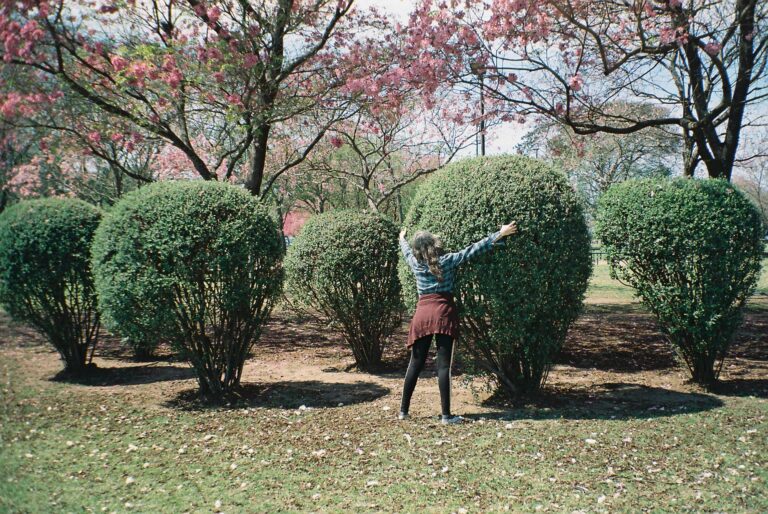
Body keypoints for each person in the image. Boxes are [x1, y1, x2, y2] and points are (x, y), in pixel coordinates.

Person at [398, 222, 518, 424]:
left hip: (422, 315)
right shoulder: (447, 261)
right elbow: (472, 249)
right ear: (434, 245)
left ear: (419, 249)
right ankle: (446, 416)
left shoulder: (416, 264)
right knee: (443, 367)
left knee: (415, 364)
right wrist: (500, 233)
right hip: (444, 314)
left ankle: (403, 411)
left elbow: (406, 252)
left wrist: (401, 238)